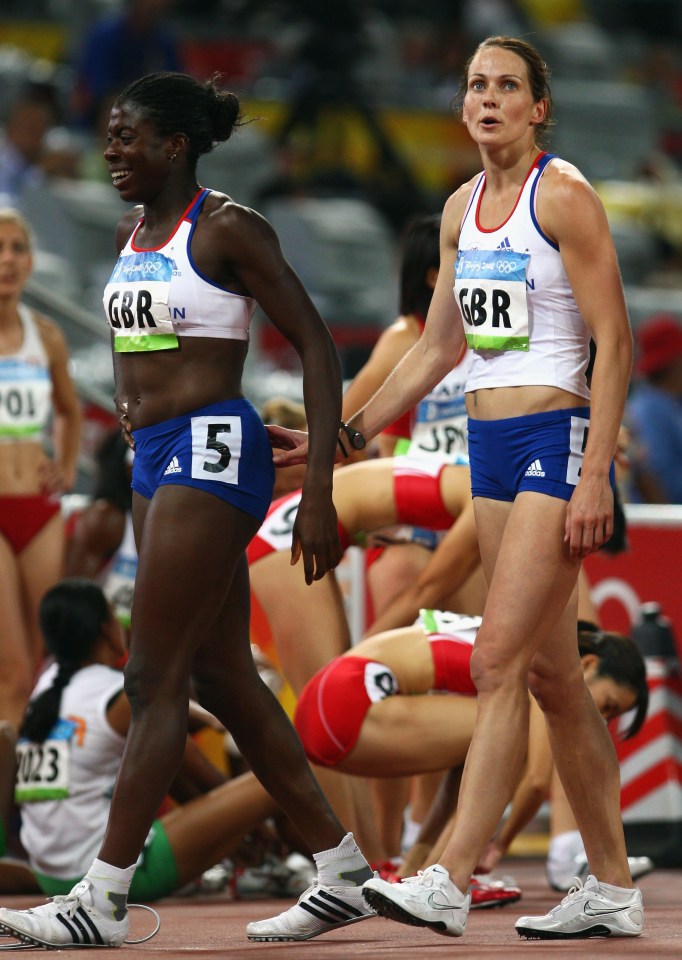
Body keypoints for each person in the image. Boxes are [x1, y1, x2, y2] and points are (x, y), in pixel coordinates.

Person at [271, 35, 641, 940]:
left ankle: (446, 874)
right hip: (490, 447)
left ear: (538, 107)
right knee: (555, 676)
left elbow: (615, 338)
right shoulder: (457, 210)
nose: (488, 100)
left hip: (555, 444)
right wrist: (343, 437)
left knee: (498, 663)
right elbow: (440, 348)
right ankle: (613, 885)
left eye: (508, 86)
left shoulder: (565, 195)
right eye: (476, 85)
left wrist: (596, 472)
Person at [0, 72, 374, 950]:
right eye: (108, 135)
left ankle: (102, 895)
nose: (110, 151)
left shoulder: (227, 227)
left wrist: (319, 483)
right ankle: (342, 868)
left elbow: (317, 347)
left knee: (150, 674)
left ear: (175, 145)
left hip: (212, 446)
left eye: (127, 137)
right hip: (151, 457)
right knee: (219, 678)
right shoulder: (139, 234)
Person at [2, 578, 288, 911]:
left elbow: (177, 773)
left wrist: (230, 831)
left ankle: (263, 858)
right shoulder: (114, 693)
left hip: (51, 876)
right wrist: (247, 822)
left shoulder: (45, 690)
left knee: (162, 753)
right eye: (114, 615)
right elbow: (197, 771)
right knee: (278, 776)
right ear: (107, 630)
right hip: (113, 872)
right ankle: (301, 862)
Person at [0, 207, 82, 734]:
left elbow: (71, 411)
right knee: (9, 670)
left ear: (31, 262)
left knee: (40, 665)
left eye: (17, 249)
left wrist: (68, 464)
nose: (7, 260)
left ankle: (31, 791)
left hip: (39, 508)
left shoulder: (46, 335)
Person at [625, 313, 682, 504]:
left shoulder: (667, 403)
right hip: (658, 525)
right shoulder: (650, 411)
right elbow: (663, 486)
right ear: (675, 361)